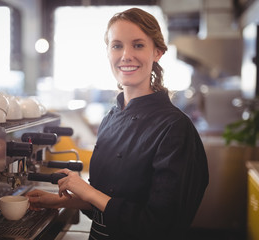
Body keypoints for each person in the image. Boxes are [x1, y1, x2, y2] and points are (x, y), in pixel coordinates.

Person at [26, 7, 209, 240]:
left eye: (138, 45)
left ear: (158, 52)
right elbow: (109, 206)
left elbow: (161, 226)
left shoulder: (174, 128)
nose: (126, 55)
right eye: (117, 45)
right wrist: (70, 200)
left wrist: (89, 192)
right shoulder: (110, 119)